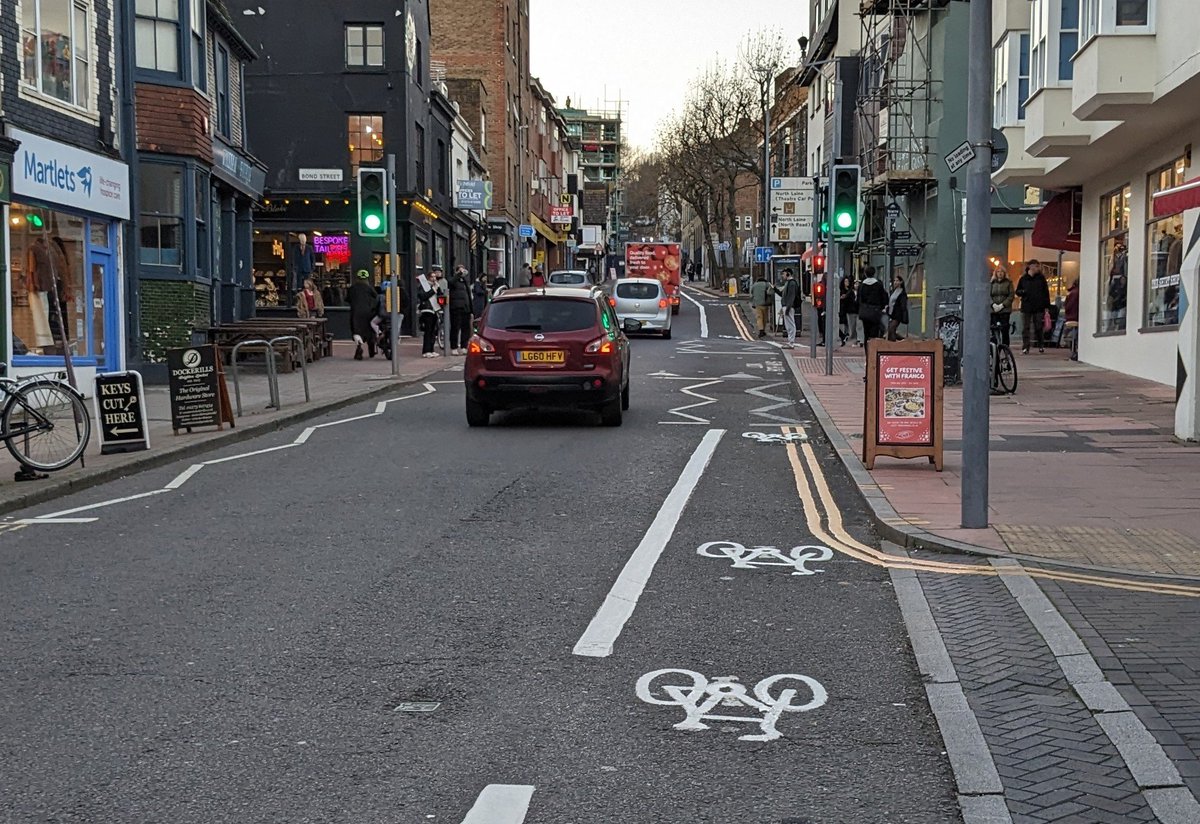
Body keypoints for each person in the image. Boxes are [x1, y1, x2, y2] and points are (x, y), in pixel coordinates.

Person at [1016, 259, 1051, 353]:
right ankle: (1025, 347)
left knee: (1038, 326)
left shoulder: (1041, 278)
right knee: (1026, 327)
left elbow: (1045, 292)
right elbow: (1017, 291)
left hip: (1038, 306)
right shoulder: (1023, 279)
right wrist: (1023, 292)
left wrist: (1047, 306)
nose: (1038, 268)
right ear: (1030, 267)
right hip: (1027, 306)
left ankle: (1040, 345)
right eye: (1036, 266)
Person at [347, 269, 379, 360]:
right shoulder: (369, 288)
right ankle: (371, 350)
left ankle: (359, 347)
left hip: (356, 312)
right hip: (368, 312)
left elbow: (348, 299)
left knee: (357, 331)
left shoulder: (352, 288)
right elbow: (376, 297)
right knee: (369, 330)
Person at [857, 265, 888, 342]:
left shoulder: (862, 286)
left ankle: (867, 350)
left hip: (865, 311)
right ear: (874, 273)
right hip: (875, 311)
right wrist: (881, 307)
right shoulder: (878, 285)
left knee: (866, 333)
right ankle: (873, 350)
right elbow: (884, 297)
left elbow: (858, 299)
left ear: (865, 274)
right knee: (875, 333)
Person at [447, 265, 472, 354]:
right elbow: (450, 283)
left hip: (465, 307)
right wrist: (458, 275)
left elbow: (468, 294)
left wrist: (471, 308)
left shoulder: (465, 281)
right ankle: (453, 347)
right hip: (456, 307)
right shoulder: (453, 280)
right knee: (455, 327)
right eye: (461, 270)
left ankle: (464, 346)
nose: (463, 272)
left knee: (466, 328)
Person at [417, 272, 441, 358]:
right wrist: (433, 290)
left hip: (434, 310)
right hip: (427, 310)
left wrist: (438, 289)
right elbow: (423, 296)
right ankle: (426, 350)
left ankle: (431, 349)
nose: (434, 279)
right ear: (428, 278)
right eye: (432, 277)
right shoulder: (423, 286)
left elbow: (440, 296)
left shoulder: (435, 286)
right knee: (428, 331)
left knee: (433, 332)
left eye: (435, 277)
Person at [989, 268, 1014, 346]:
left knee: (1004, 330)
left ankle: (1005, 347)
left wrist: (1002, 305)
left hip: (1005, 310)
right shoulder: (992, 283)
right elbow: (988, 295)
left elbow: (1011, 296)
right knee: (994, 330)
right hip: (994, 310)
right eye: (998, 272)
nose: (1000, 273)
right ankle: (994, 348)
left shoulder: (1009, 283)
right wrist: (993, 304)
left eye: (1002, 272)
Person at [776, 269, 799, 349]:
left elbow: (791, 296)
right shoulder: (788, 283)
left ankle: (791, 342)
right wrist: (775, 289)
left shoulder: (792, 283)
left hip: (788, 306)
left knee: (790, 324)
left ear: (788, 274)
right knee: (788, 324)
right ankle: (790, 341)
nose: (782, 275)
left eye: (784, 274)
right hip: (786, 306)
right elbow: (783, 295)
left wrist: (788, 307)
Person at [886, 274, 909, 341]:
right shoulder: (894, 291)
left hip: (897, 314)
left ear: (901, 282)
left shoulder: (902, 293)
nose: (895, 282)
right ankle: (903, 340)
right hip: (892, 313)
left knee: (892, 329)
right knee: (891, 330)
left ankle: (893, 345)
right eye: (894, 281)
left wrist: (903, 315)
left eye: (897, 281)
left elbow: (903, 305)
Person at [749, 272, 772, 338]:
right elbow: (771, 292)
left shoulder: (754, 285)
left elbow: (752, 294)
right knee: (764, 318)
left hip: (757, 304)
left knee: (759, 317)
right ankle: (763, 330)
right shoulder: (767, 284)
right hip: (765, 304)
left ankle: (761, 330)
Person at [839, 275, 858, 347]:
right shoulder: (841, 290)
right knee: (843, 323)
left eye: (847, 281)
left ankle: (847, 336)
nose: (847, 283)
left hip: (850, 310)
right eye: (845, 281)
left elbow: (853, 300)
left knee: (851, 325)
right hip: (843, 309)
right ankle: (845, 335)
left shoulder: (851, 291)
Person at [1063, 279, 1080, 361]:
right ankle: (1075, 351)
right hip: (1075, 316)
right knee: (1074, 335)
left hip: (1071, 317)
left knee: (1070, 335)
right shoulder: (1077, 293)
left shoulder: (1072, 292)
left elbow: (1068, 306)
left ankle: (1073, 351)